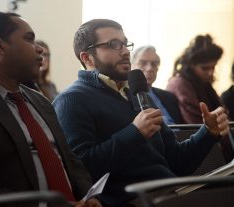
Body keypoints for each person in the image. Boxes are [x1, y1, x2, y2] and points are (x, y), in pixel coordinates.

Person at [53, 19, 229, 206]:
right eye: (114, 45)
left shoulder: (137, 95)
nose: (125, 51)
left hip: (170, 192)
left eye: (125, 43)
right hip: (133, 200)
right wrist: (135, 133)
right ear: (87, 58)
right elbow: (82, 169)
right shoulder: (72, 100)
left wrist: (208, 133)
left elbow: (178, 163)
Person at [0, 12, 101, 207]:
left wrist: (88, 198)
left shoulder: (39, 101)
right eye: (29, 39)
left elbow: (69, 160)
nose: (39, 49)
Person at [166, 34, 223, 124]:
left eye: (213, 67)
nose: (211, 72)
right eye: (205, 68)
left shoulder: (203, 83)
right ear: (191, 66)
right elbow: (196, 123)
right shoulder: (179, 83)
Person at [131, 45, 184, 124]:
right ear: (131, 65)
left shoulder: (169, 97)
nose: (149, 68)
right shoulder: (125, 98)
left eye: (154, 64)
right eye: (143, 63)